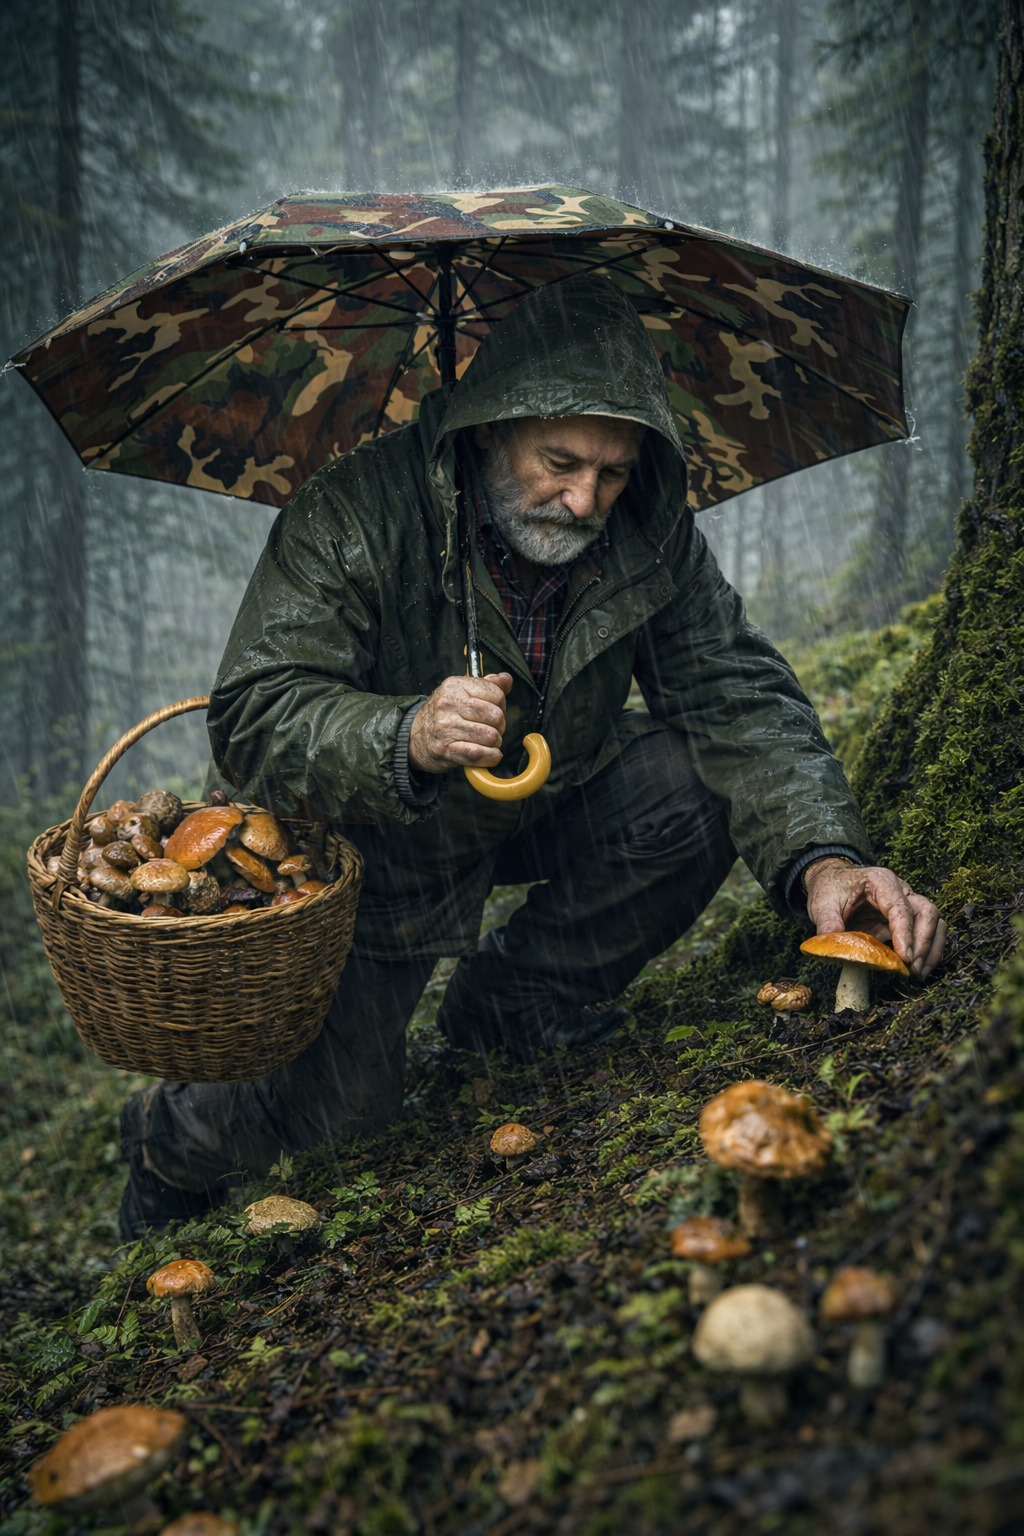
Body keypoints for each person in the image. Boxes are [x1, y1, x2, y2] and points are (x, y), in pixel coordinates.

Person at [118, 275, 946, 1239]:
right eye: (560, 460)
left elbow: (737, 694)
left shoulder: (648, 535)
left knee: (692, 786)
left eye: (615, 469)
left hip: (550, 795)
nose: (585, 496)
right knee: (335, 1125)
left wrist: (824, 857)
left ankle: (512, 1005)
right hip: (374, 852)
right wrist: (407, 734)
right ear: (490, 426)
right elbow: (256, 716)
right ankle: (169, 1146)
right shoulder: (354, 512)